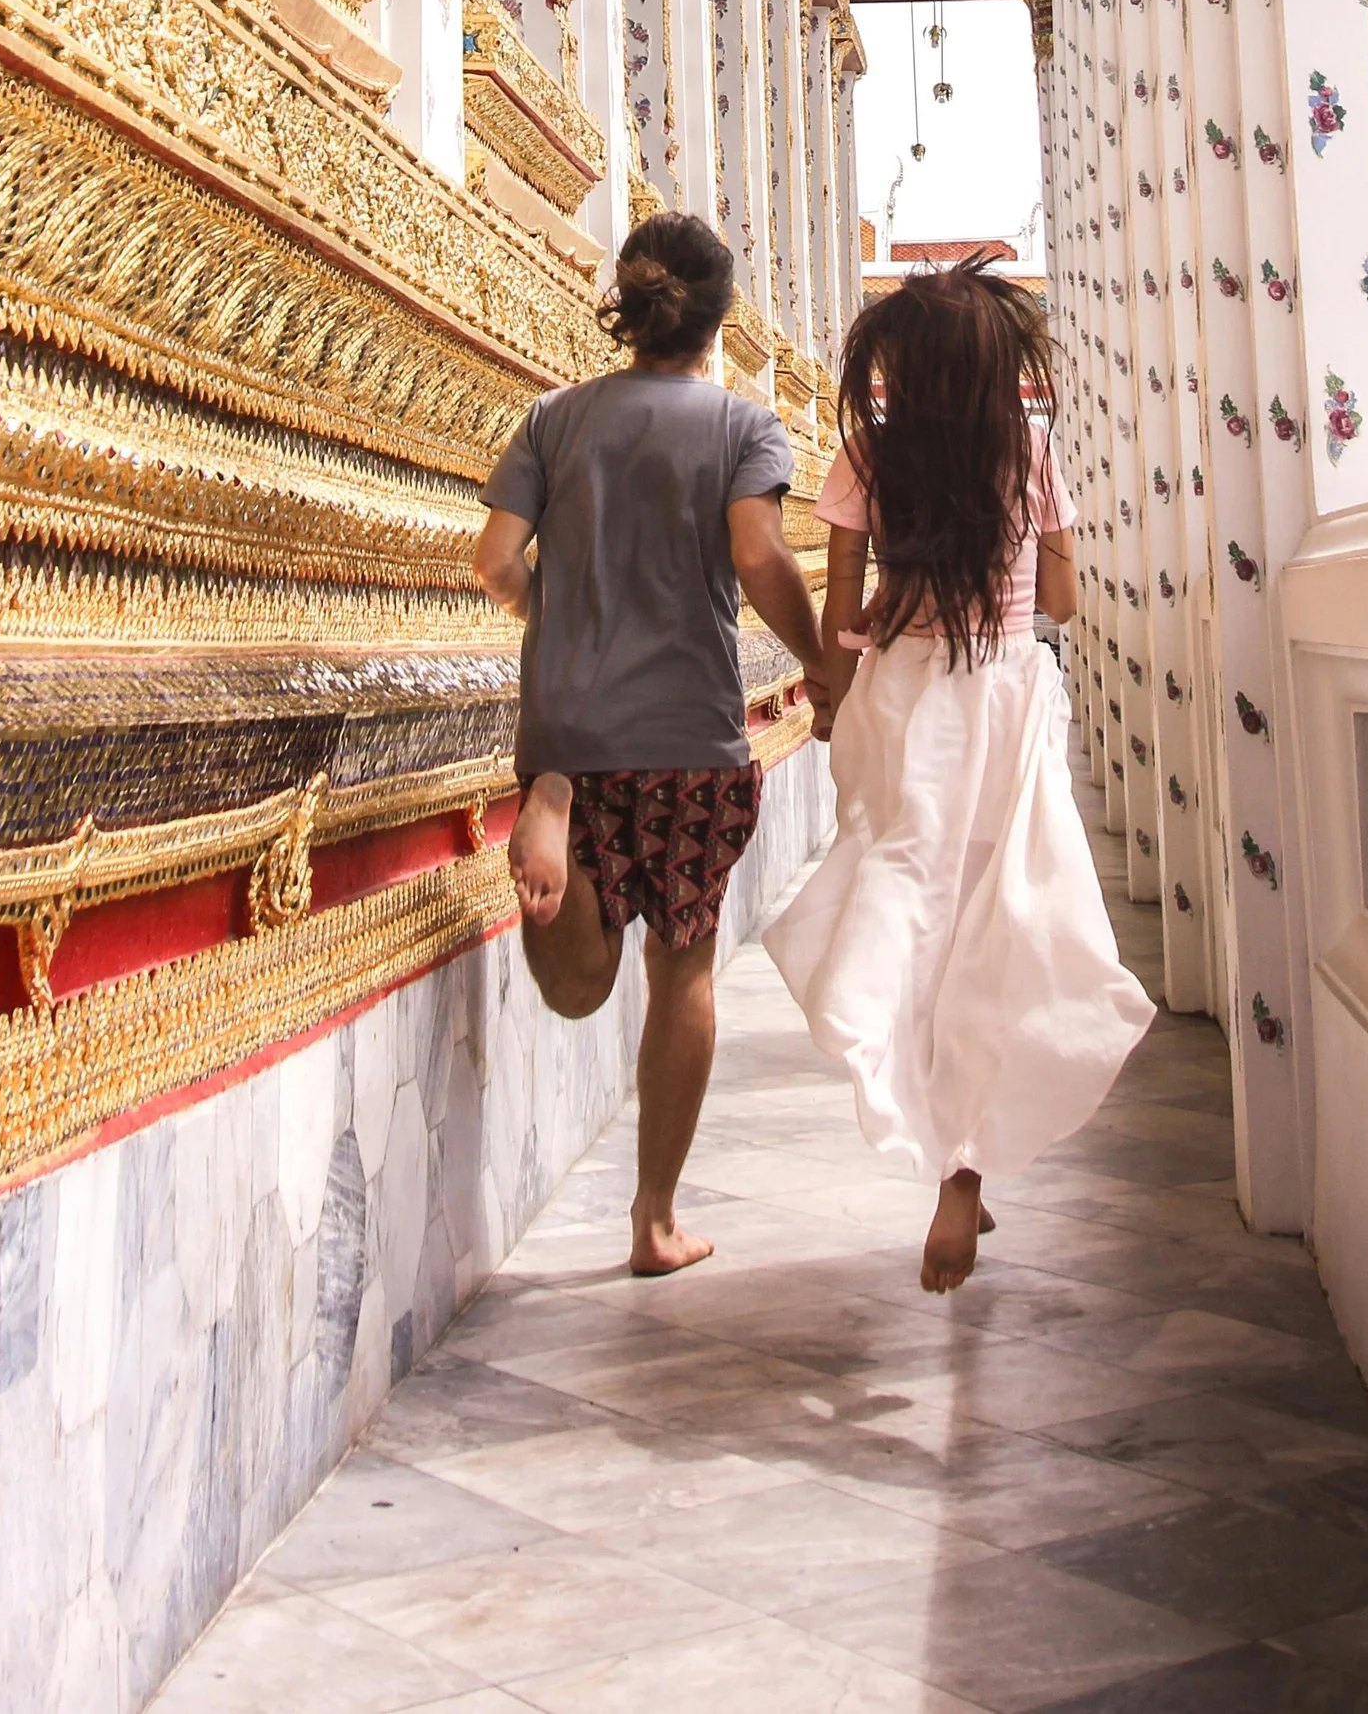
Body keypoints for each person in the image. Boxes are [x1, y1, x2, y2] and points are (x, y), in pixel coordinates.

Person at [765, 259, 1153, 1293]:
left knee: (912, 908)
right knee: (1009, 919)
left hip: (902, 698)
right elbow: (1061, 602)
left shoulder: (865, 455)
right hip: (1008, 695)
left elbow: (843, 607)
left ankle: (942, 1150)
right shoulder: (1028, 448)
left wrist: (834, 698)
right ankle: (965, 1167)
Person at [472, 212, 827, 1277]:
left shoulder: (551, 419)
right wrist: (820, 660)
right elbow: (760, 558)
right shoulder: (743, 428)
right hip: (687, 736)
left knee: (578, 986)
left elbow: (492, 560)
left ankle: (553, 813)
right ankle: (655, 1219)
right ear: (720, 321)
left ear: (625, 315)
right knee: (684, 972)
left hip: (567, 726)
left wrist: (559, 616)